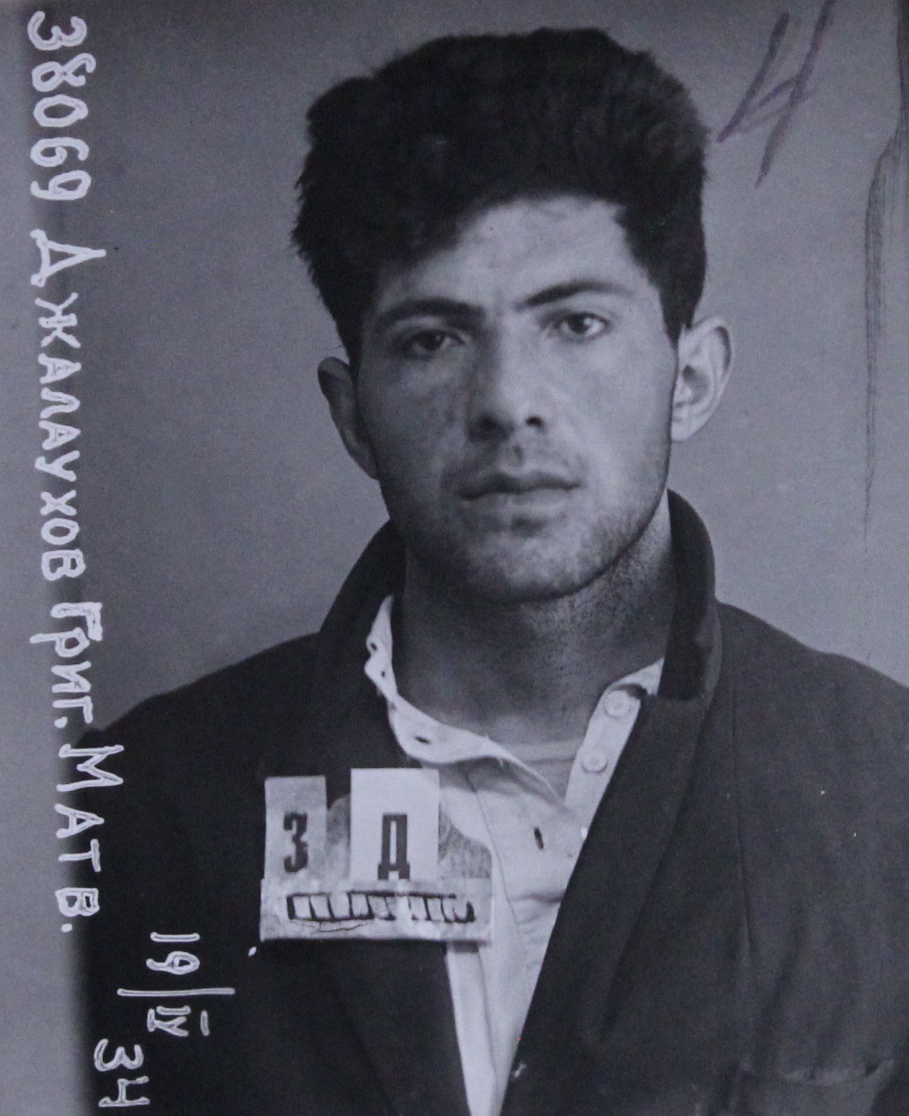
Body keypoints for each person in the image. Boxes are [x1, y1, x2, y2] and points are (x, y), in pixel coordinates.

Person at [76, 27, 909, 1116]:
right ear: (353, 415)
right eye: (432, 339)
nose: (509, 401)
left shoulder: (887, 780)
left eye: (576, 323)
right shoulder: (140, 810)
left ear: (692, 377)